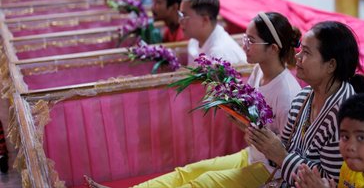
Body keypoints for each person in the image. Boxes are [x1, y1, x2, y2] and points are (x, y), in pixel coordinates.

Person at [85, 12, 302, 188]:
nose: (244, 44)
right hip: (251, 156)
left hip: (269, 171)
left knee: (201, 183)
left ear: (273, 49)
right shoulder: (258, 70)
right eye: (245, 38)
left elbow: (286, 155)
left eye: (251, 40)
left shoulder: (287, 93)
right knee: (188, 172)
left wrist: (256, 136)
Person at [245, 21, 364, 186]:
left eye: (306, 52)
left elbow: (330, 181)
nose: (297, 56)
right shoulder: (302, 98)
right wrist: (263, 141)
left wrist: (281, 156)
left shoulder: (344, 115)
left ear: (331, 65)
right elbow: (284, 147)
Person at [177, 0, 246, 65]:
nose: (180, 21)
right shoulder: (194, 42)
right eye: (180, 15)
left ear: (205, 20)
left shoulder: (221, 55)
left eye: (185, 16)